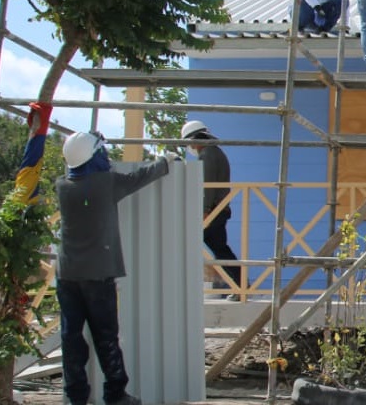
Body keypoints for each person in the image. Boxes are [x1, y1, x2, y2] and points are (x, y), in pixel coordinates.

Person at [56, 131, 174, 405]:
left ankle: (76, 398)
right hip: (97, 277)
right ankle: (115, 394)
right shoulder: (105, 183)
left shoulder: (62, 185)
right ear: (95, 156)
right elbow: (139, 177)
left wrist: (90, 140)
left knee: (71, 338)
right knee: (106, 337)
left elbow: (85, 160)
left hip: (67, 275)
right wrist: (164, 162)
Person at [182, 120, 241, 301]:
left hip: (214, 210)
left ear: (195, 139)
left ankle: (239, 286)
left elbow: (206, 187)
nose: (190, 146)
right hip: (219, 209)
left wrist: (205, 210)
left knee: (218, 249)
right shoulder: (216, 152)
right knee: (220, 248)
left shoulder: (207, 155)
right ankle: (240, 285)